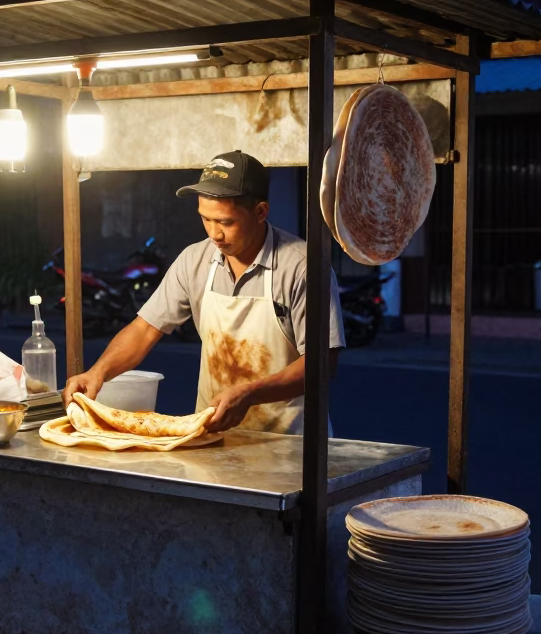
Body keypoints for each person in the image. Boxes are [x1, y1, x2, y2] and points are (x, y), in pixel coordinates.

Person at [63, 151, 345, 435]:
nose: (214, 234)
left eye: (225, 222)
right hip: (212, 437)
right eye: (205, 220)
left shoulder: (302, 267)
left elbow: (321, 364)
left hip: (290, 444)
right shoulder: (194, 260)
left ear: (260, 212)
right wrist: (98, 372)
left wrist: (250, 393)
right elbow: (144, 329)